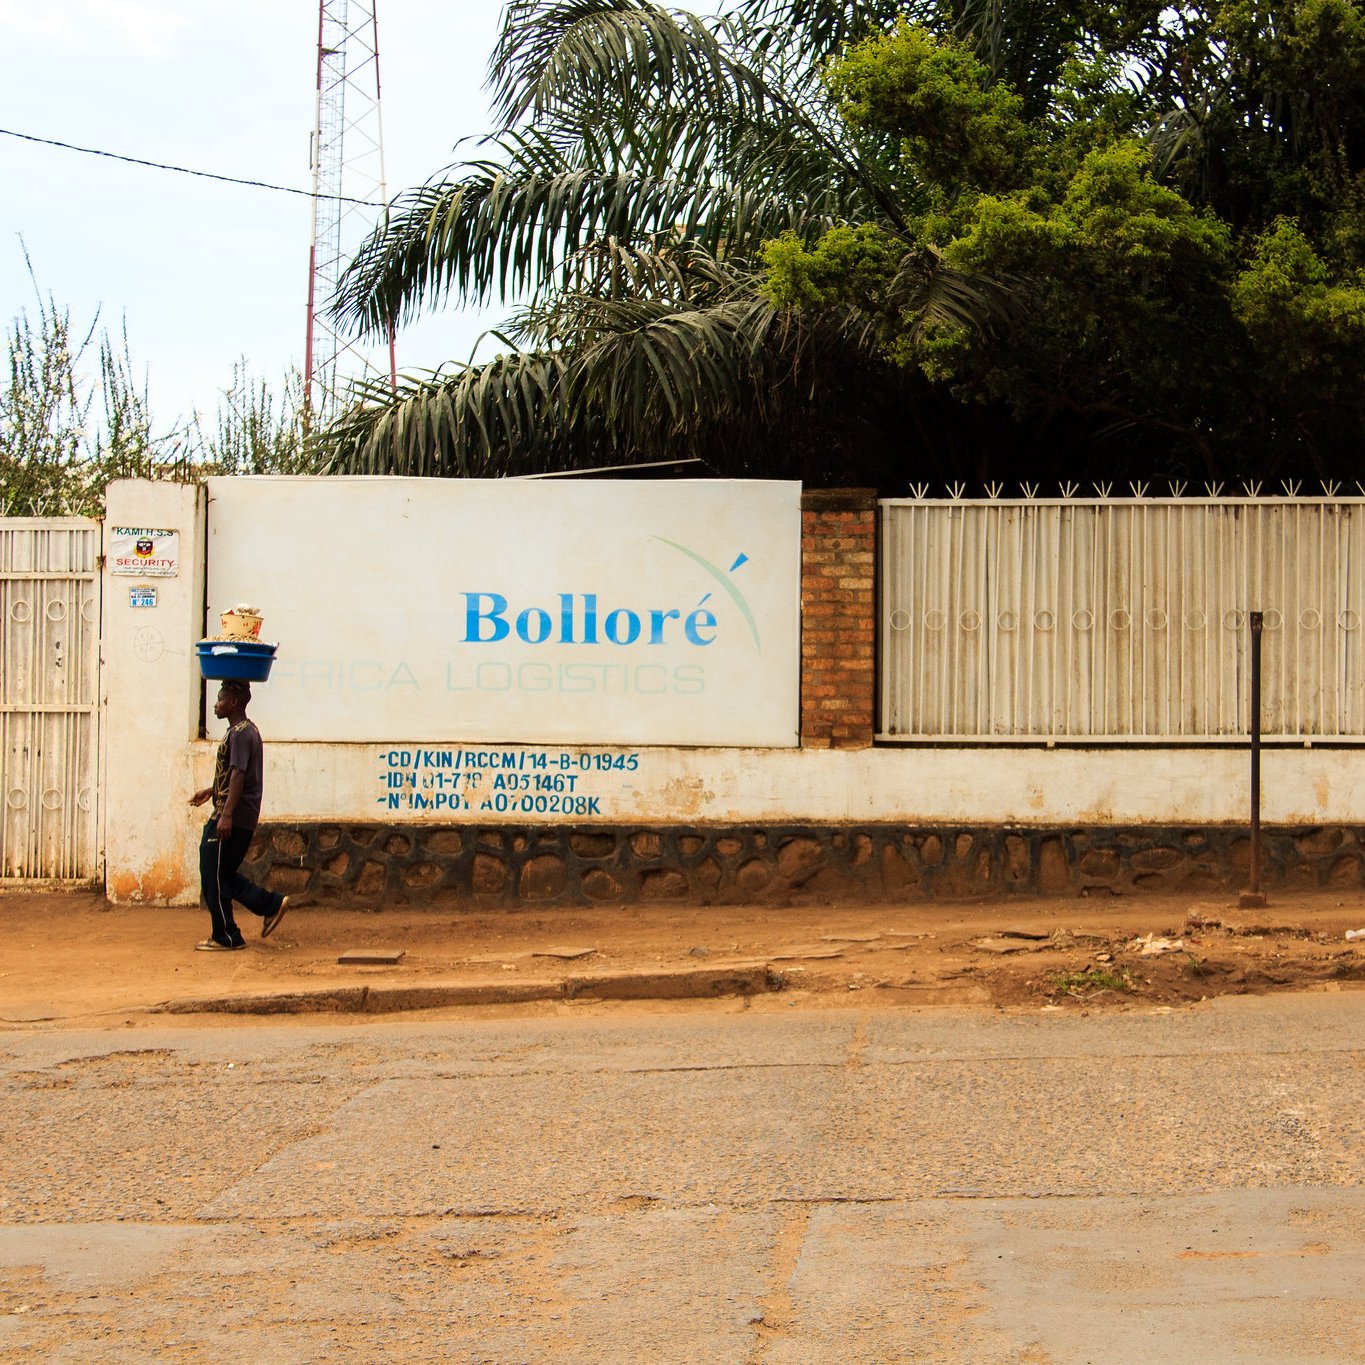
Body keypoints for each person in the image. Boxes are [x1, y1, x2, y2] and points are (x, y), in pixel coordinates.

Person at [188, 679, 288, 950]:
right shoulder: (243, 731)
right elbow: (235, 774)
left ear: (233, 703)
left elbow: (240, 774)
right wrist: (212, 790)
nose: (216, 704)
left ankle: (226, 936)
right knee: (223, 874)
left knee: (212, 874)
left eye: (220, 700)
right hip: (234, 813)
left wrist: (226, 815)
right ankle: (270, 905)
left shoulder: (241, 733)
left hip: (232, 816)